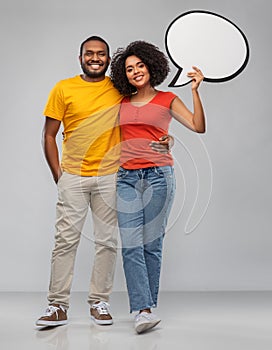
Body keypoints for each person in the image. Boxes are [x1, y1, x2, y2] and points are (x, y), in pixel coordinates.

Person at [36, 36, 171, 327]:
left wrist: (166, 138)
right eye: (89, 53)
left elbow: (145, 111)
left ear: (109, 60)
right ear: (80, 57)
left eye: (101, 54)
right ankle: (57, 305)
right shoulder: (63, 88)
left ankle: (100, 301)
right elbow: (49, 135)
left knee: (107, 242)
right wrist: (59, 176)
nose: (94, 57)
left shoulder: (119, 89)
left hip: (111, 176)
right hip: (72, 176)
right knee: (65, 242)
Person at [110, 40, 206, 334]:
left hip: (159, 176)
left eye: (140, 65)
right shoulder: (121, 102)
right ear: (123, 75)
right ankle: (143, 309)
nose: (135, 71)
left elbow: (198, 126)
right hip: (126, 177)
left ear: (151, 66)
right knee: (131, 245)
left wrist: (194, 92)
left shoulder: (167, 99)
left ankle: (145, 309)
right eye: (129, 69)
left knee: (152, 244)